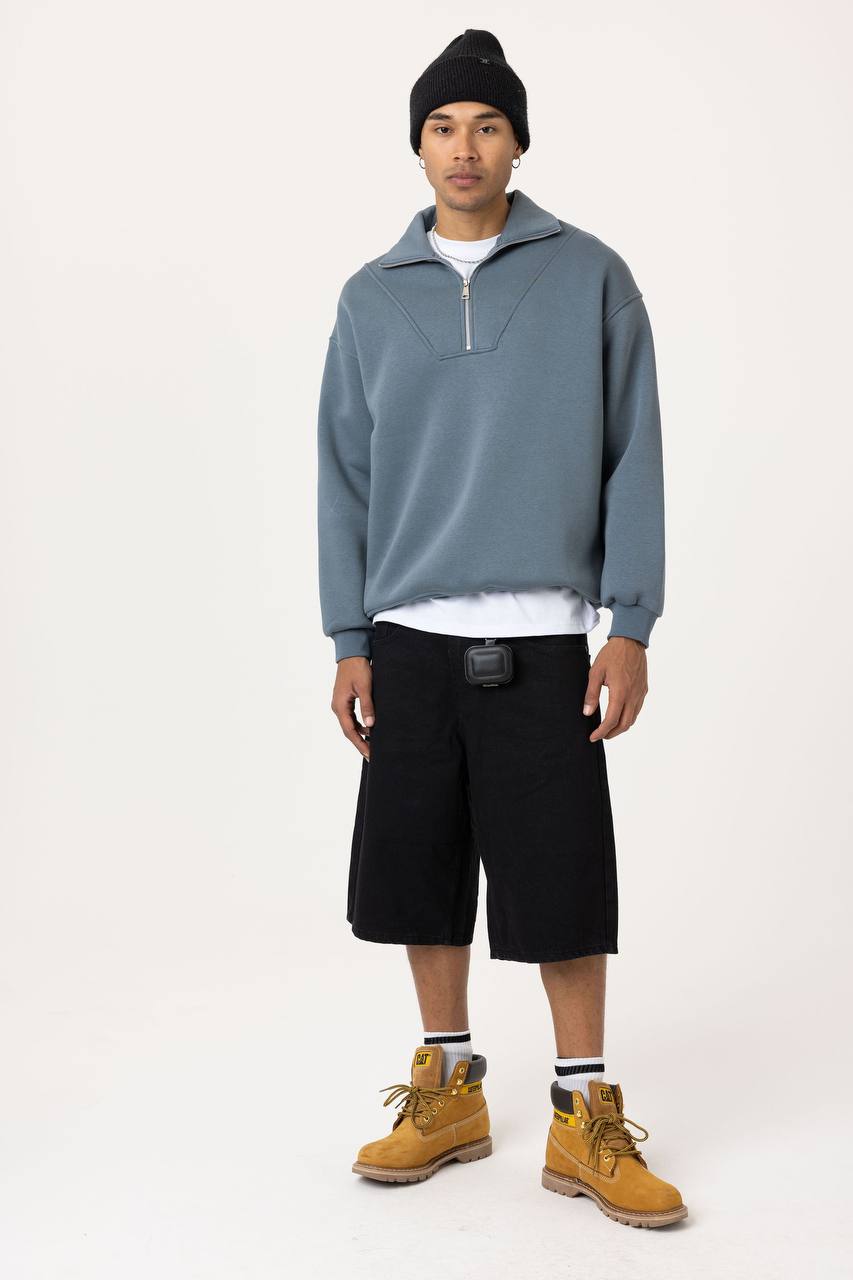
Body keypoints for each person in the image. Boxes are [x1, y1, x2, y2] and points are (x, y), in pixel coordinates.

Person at [316, 29, 687, 1228]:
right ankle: (449, 1089)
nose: (463, 146)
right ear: (417, 146)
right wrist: (348, 636)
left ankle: (583, 1111)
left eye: (485, 125)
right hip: (408, 632)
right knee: (420, 869)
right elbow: (344, 476)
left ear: (518, 142)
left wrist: (630, 621)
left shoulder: (591, 277)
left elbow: (634, 454)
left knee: (562, 873)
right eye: (442, 127)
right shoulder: (370, 298)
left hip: (546, 635)